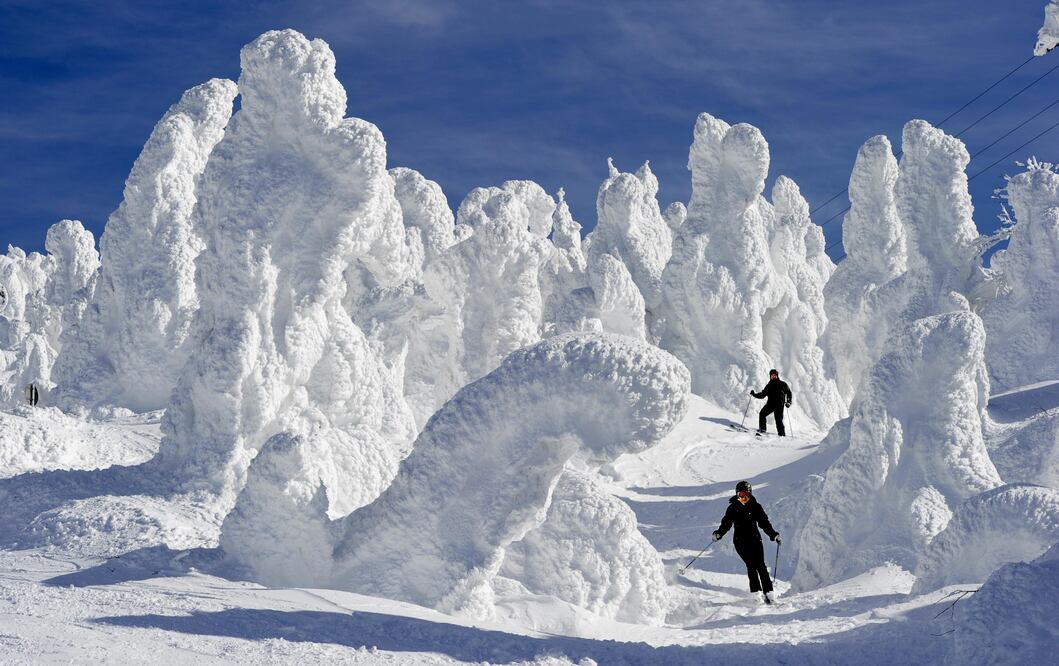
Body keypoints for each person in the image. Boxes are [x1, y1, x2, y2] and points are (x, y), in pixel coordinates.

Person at [712, 480, 781, 604]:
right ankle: (756, 593)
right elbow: (726, 523)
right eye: (741, 495)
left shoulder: (755, 506)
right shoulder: (733, 508)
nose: (744, 497)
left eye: (747, 495)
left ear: (750, 494)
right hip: (740, 542)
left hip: (755, 539)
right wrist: (719, 533)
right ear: (737, 494)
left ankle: (769, 593)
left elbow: (764, 523)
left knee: (761, 565)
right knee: (751, 565)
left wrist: (773, 535)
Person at [750, 368, 792, 436]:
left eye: (774, 375)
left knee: (778, 419)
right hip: (771, 404)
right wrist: (754, 394)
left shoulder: (782, 384)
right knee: (762, 414)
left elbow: (789, 393)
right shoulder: (769, 385)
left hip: (779, 405)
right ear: (770, 376)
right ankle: (762, 429)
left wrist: (788, 402)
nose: (773, 376)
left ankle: (782, 434)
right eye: (772, 375)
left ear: (777, 375)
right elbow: (762, 395)